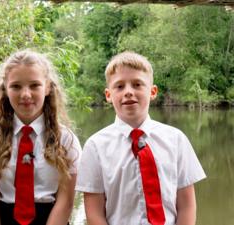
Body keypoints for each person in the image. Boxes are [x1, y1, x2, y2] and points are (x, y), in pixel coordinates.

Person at [75, 51, 206, 225]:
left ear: (152, 91)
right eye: (119, 86)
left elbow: (187, 205)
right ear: (108, 95)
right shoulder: (95, 146)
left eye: (137, 84)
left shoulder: (176, 140)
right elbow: (94, 212)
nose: (129, 92)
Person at [0, 49, 81, 225]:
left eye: (34, 85)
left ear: (47, 87)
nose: (25, 94)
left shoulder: (66, 140)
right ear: (6, 90)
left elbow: (66, 202)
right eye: (16, 86)